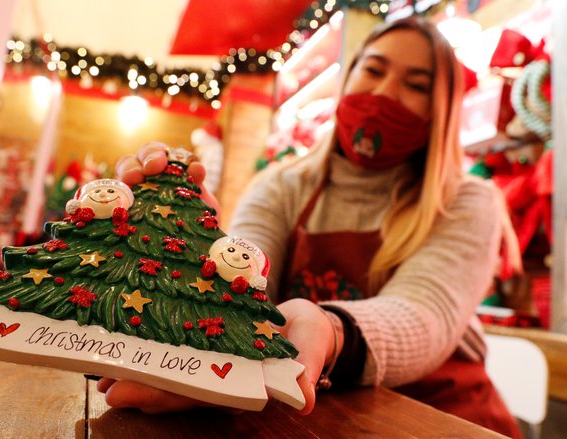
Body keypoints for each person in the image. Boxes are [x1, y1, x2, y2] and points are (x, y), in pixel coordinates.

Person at [105, 17, 521, 437]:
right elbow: (249, 280)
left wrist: (329, 329)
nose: (383, 93)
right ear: (350, 77)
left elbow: (424, 314)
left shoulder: (468, 201)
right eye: (374, 70)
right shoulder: (280, 186)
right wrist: (199, 250)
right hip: (317, 417)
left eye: (416, 85)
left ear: (441, 111)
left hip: (443, 419)